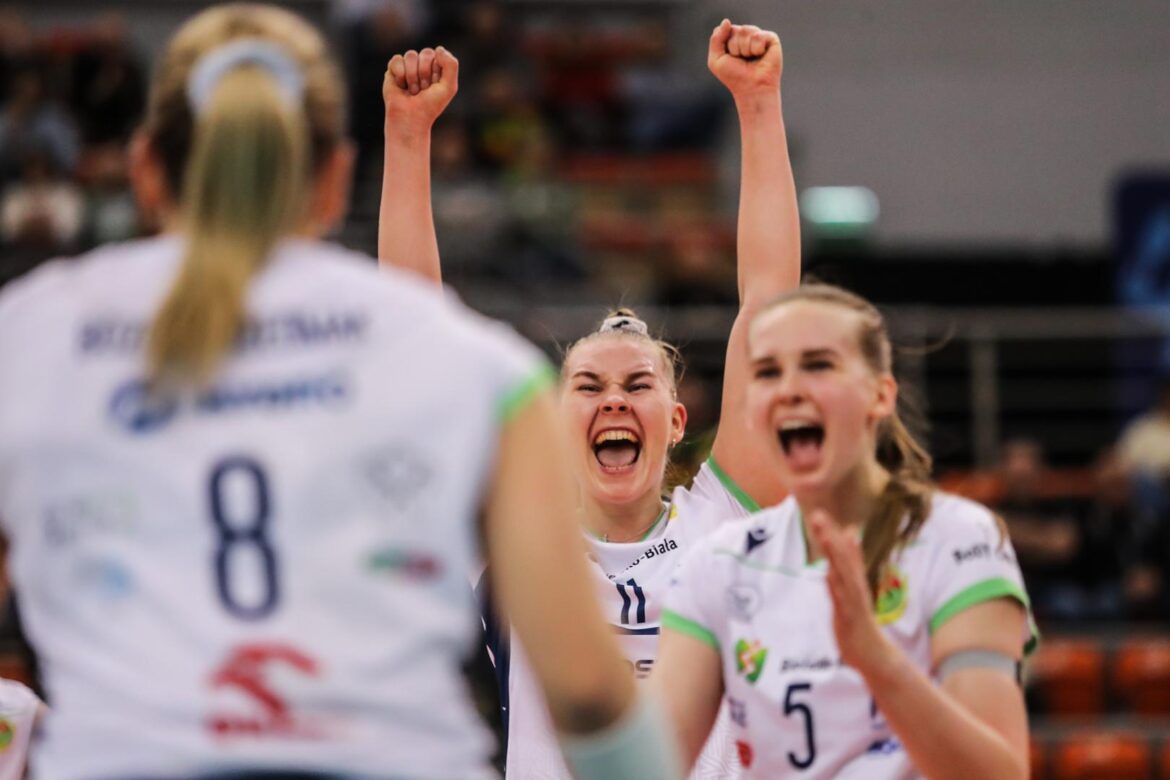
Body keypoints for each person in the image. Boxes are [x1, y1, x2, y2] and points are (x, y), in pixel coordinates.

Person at [0, 5, 683, 778]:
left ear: (147, 171)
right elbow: (588, 693)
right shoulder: (489, 372)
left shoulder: (29, 338)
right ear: (332, 180)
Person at [379, 19, 800, 778]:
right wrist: (407, 136)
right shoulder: (514, 545)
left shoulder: (724, 521)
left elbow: (769, 308)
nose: (614, 402)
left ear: (676, 421)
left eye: (638, 385)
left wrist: (759, 103)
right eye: (589, 386)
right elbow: (414, 344)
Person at [655, 283, 1035, 778]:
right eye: (767, 372)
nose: (789, 389)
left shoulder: (959, 539)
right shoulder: (717, 564)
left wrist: (877, 662)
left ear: (881, 394)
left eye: (818, 365)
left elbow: (1000, 774)